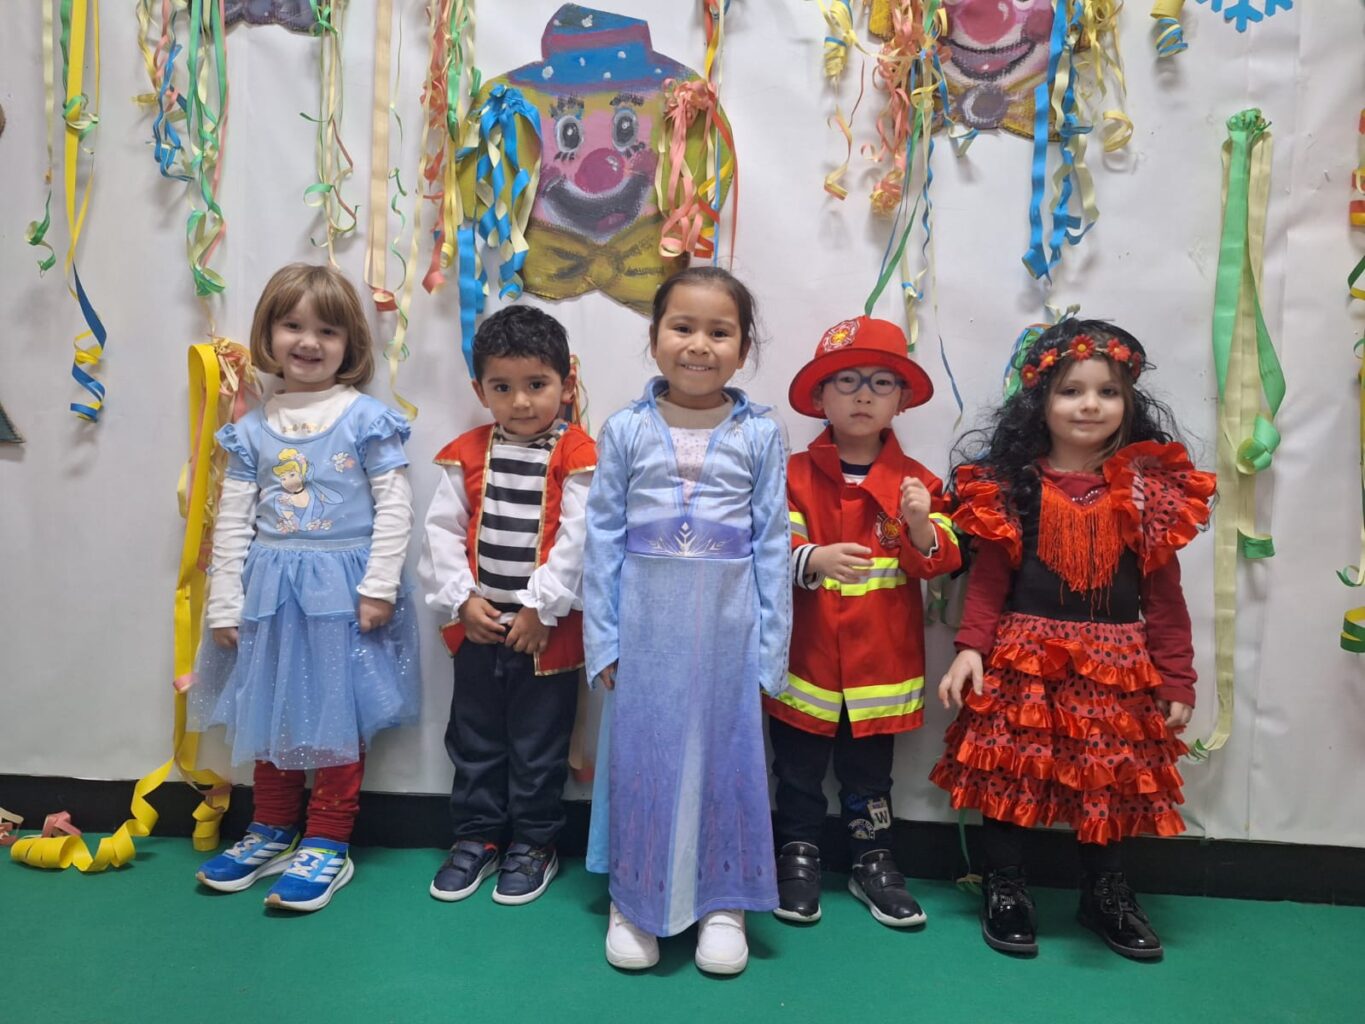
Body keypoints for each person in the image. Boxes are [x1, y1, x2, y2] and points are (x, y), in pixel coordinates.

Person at [932, 318, 1214, 959]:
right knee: (1007, 772)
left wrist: (1177, 677)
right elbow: (989, 581)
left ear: (1129, 402)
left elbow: (1164, 597)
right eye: (1071, 391)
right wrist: (970, 648)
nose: (1090, 405)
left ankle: (1104, 892)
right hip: (1022, 660)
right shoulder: (1009, 487)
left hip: (1116, 666)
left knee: (1104, 781)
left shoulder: (1150, 492)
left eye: (1107, 392)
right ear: (1040, 401)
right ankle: (1005, 884)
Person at [191, 263, 420, 912]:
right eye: (292, 325)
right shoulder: (251, 430)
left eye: (328, 330)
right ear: (269, 333)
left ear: (351, 343)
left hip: (344, 596)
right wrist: (225, 602)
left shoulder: (366, 419)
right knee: (271, 713)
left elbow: (394, 507)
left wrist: (378, 586)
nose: (309, 342)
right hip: (269, 597)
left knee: (336, 722)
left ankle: (327, 840)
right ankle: (270, 827)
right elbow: (233, 520)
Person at [583, 267, 791, 975]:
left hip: (730, 636)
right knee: (643, 755)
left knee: (725, 759)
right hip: (644, 633)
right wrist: (603, 639)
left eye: (719, 332)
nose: (699, 345)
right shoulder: (624, 429)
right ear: (654, 338)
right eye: (682, 327)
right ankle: (636, 898)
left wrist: (770, 650)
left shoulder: (761, 434)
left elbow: (772, 545)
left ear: (743, 348)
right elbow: (601, 540)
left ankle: (723, 901)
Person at [770, 316, 961, 928]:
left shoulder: (919, 483)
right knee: (796, 771)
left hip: (882, 667)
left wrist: (920, 525)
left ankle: (873, 860)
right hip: (804, 662)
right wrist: (812, 559)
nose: (863, 395)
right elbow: (768, 549)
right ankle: (795, 855)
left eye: (881, 383)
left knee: (870, 777)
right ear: (819, 397)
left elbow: (943, 561)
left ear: (901, 400)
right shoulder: (791, 474)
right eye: (846, 381)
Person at [419, 305, 595, 906]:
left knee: (538, 746)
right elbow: (441, 533)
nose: (520, 401)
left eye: (536, 384)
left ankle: (535, 843)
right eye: (502, 387)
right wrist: (462, 600)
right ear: (480, 391)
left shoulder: (579, 455)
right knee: (473, 739)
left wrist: (541, 609)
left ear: (566, 384)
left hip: (545, 633)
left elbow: (580, 539)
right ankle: (477, 837)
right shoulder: (467, 452)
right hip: (479, 626)